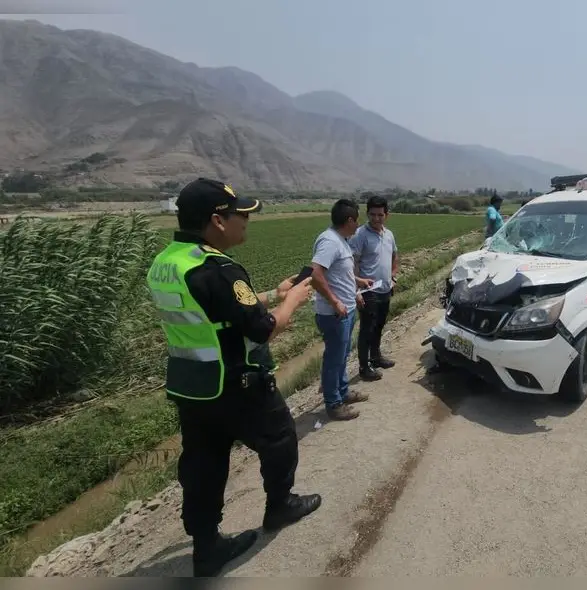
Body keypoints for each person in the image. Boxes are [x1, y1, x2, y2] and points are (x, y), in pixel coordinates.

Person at [146, 178, 322, 577]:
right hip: (238, 383)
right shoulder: (219, 267)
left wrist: (268, 296)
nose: (246, 221)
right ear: (216, 221)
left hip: (193, 386)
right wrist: (293, 300)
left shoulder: (168, 262)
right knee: (278, 438)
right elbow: (260, 330)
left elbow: (215, 311)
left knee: (203, 464)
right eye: (240, 214)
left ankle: (206, 547)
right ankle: (280, 505)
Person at [311, 199, 372, 421]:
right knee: (334, 359)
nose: (358, 225)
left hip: (345, 310)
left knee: (343, 354)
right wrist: (336, 301)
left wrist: (357, 285)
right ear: (349, 220)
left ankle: (343, 392)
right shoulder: (329, 241)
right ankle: (334, 404)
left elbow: (340, 273)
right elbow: (316, 274)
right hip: (334, 313)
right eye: (357, 220)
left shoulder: (341, 240)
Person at [350, 193, 399, 382]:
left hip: (386, 288)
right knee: (366, 329)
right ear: (367, 214)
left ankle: (376, 357)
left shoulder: (389, 235)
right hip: (367, 290)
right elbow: (353, 262)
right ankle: (364, 367)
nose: (376, 219)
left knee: (379, 325)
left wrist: (393, 276)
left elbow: (395, 255)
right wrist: (357, 288)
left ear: (387, 215)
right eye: (372, 215)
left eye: (380, 215)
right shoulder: (360, 235)